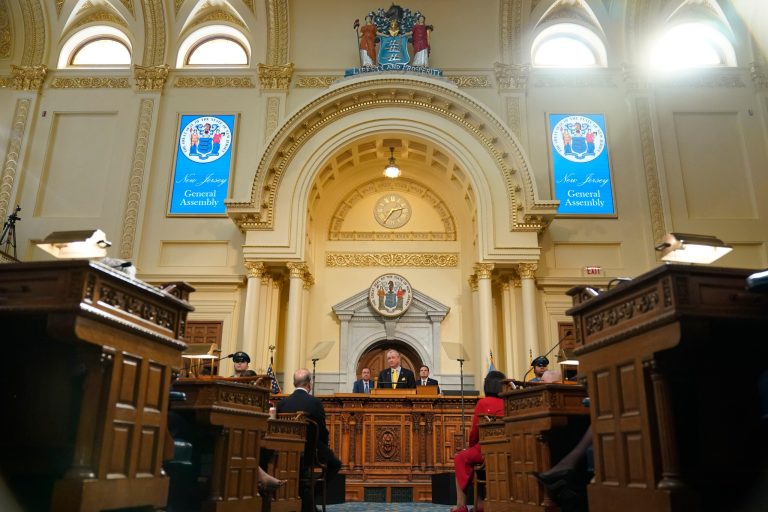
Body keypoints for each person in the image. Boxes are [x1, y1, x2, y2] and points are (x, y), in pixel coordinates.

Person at [276, 369, 341, 512]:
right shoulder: (315, 403)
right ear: (308, 384)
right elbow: (322, 431)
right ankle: (313, 493)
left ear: (294, 383)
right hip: (311, 452)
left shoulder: (281, 404)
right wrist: (323, 447)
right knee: (336, 464)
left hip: (286, 453)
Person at [451, 370, 507, 512]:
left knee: (460, 458)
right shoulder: (508, 403)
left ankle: (461, 506)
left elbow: (475, 431)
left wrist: (471, 447)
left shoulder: (483, 402)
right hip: (507, 449)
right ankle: (481, 504)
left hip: (485, 449)